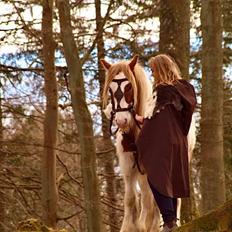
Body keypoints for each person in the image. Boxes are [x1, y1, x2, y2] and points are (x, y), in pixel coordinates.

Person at [135, 54, 197, 232]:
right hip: (178, 140)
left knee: (156, 178)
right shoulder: (183, 89)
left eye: (154, 70)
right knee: (172, 179)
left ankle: (169, 222)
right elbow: (174, 117)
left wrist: (141, 124)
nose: (153, 74)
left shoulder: (162, 90)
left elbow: (156, 118)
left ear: (161, 70)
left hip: (163, 141)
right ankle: (173, 221)